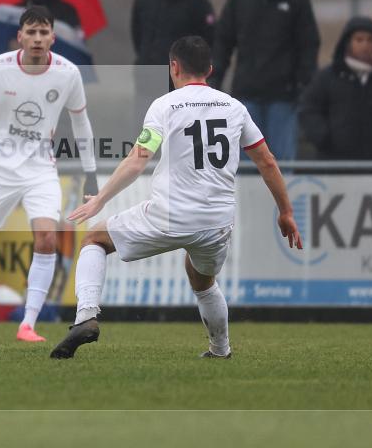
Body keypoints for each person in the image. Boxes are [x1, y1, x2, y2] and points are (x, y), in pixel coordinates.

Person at [50, 35, 302, 359]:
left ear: (173, 67)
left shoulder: (164, 105)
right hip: (217, 223)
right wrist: (285, 212)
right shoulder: (235, 107)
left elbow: (139, 159)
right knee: (203, 278)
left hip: (169, 216)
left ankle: (85, 316)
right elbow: (267, 161)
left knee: (94, 239)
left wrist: (100, 199)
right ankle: (220, 349)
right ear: (210, 69)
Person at [0, 5, 98, 342]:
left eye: (42, 32)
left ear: (53, 36)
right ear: (19, 36)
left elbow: (81, 123)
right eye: (30, 32)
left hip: (39, 168)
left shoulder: (67, 73)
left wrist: (91, 172)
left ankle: (28, 324)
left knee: (47, 239)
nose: (36, 38)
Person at [211, 0, 320, 161]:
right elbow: (223, 43)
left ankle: (280, 198)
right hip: (246, 96)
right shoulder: (239, 0)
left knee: (280, 162)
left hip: (284, 98)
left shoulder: (298, 2)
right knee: (245, 161)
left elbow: (308, 46)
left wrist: (303, 84)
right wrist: (215, 82)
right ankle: (246, 198)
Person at [298, 16, 372, 160]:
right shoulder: (328, 77)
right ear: (348, 42)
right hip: (337, 165)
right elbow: (309, 108)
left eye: (370, 40)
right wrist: (323, 137)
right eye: (359, 39)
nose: (365, 45)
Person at [131, 0, 216, 114]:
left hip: (184, 84)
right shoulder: (144, 1)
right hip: (149, 81)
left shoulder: (198, 3)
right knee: (148, 134)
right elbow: (138, 37)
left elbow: (210, 40)